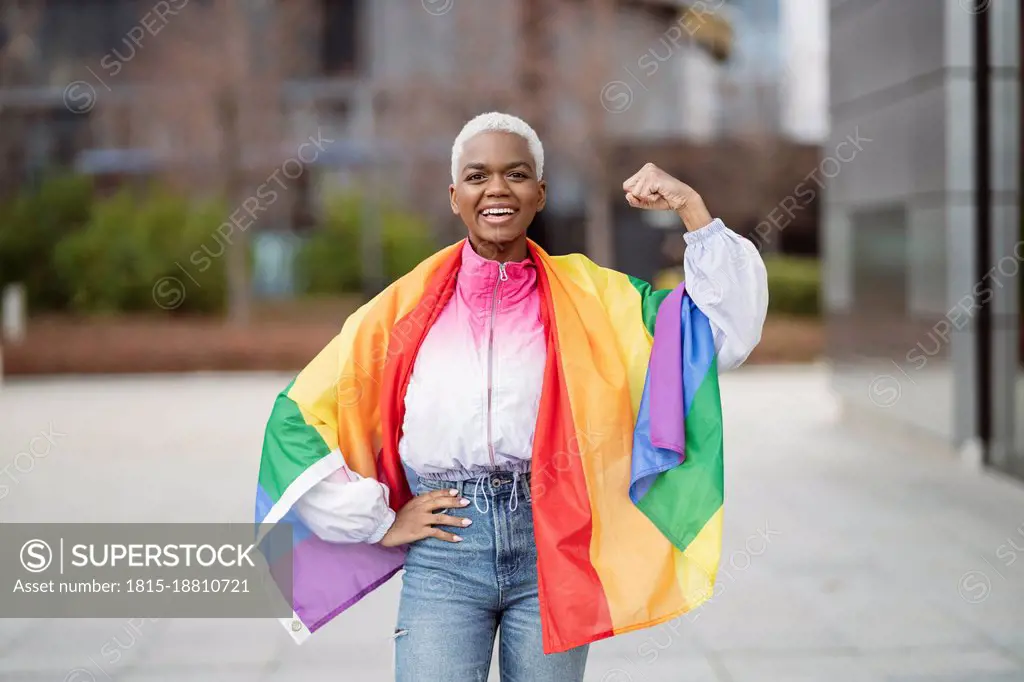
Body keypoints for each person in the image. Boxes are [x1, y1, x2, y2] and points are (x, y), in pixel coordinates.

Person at [257, 112, 768, 682]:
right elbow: (296, 417)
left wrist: (691, 209)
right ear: (455, 197)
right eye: (478, 176)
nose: (497, 189)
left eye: (516, 174)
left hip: (555, 542)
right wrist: (378, 521)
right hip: (447, 549)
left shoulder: (597, 298)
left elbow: (714, 336)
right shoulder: (399, 312)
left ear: (540, 193)